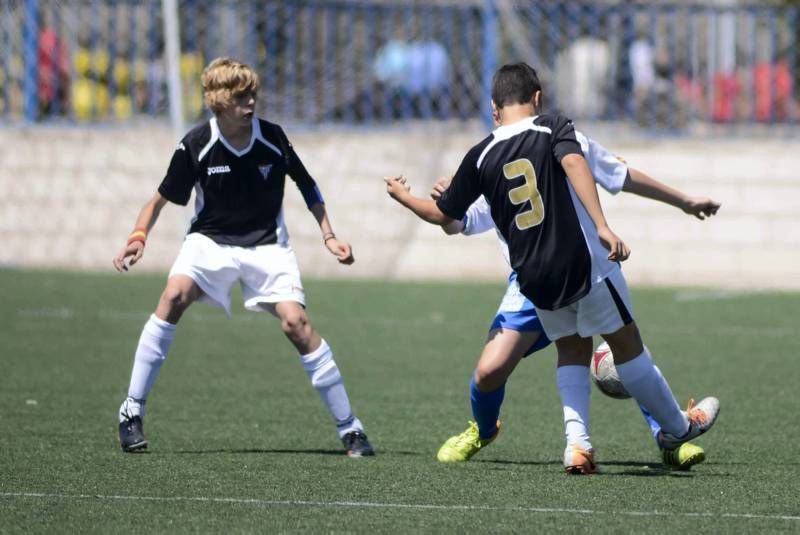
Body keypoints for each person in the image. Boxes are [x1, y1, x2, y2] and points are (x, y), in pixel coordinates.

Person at [385, 62, 719, 474]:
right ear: (539, 99)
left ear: (493, 109)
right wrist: (603, 225)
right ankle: (675, 428)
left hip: (536, 278)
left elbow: (445, 216)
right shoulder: (555, 130)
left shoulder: (482, 155)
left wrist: (406, 197)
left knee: (574, 348)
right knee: (624, 344)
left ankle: (590, 445)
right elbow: (463, 217)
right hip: (577, 265)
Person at [113, 57, 374, 457]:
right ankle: (131, 411)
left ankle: (350, 428)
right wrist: (138, 236)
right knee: (172, 296)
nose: (250, 102)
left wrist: (329, 236)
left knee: (297, 323)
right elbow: (157, 201)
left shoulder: (272, 138)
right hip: (210, 243)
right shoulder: (197, 144)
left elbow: (309, 187)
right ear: (218, 101)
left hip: (267, 245)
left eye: (252, 93)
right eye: (240, 97)